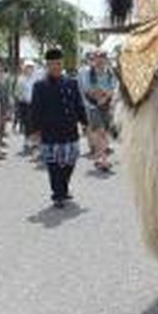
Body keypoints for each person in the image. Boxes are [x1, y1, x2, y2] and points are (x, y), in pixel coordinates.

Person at [30, 48, 88, 208]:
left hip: (70, 131)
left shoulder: (71, 83)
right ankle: (58, 194)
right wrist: (35, 131)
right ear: (47, 65)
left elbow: (79, 105)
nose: (56, 66)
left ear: (62, 64)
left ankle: (63, 187)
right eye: (52, 64)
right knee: (54, 165)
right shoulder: (40, 86)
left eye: (58, 63)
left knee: (71, 161)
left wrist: (85, 123)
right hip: (50, 132)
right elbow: (35, 109)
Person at [78, 51, 117, 171]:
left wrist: (104, 97)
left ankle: (99, 157)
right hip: (93, 106)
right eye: (97, 58)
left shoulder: (110, 73)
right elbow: (88, 89)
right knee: (100, 131)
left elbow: (113, 88)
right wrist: (99, 97)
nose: (100, 61)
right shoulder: (87, 73)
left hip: (106, 105)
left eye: (102, 58)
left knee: (104, 132)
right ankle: (103, 160)